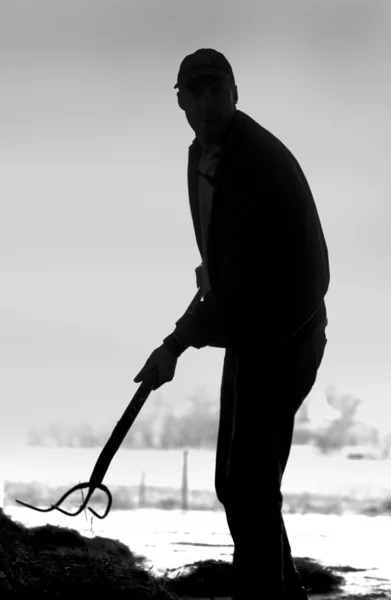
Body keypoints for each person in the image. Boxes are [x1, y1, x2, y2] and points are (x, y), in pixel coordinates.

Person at [134, 48, 329, 600]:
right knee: (236, 481)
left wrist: (174, 343)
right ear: (182, 104)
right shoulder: (203, 155)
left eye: (217, 88)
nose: (207, 100)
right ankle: (280, 588)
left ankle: (265, 593)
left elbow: (244, 282)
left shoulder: (256, 165)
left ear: (235, 93)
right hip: (250, 330)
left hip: (286, 335)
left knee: (247, 482)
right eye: (195, 92)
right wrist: (202, 301)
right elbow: (225, 270)